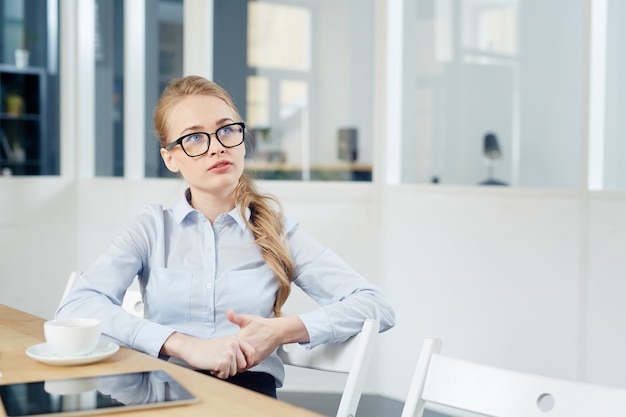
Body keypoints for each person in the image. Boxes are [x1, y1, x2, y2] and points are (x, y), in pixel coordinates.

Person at [56, 75, 396, 398]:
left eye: (226, 130)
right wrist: (182, 344)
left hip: (250, 397)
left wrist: (281, 331)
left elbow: (376, 305)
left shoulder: (277, 231)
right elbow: (76, 307)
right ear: (170, 158)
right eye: (194, 138)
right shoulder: (151, 229)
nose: (216, 147)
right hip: (165, 391)